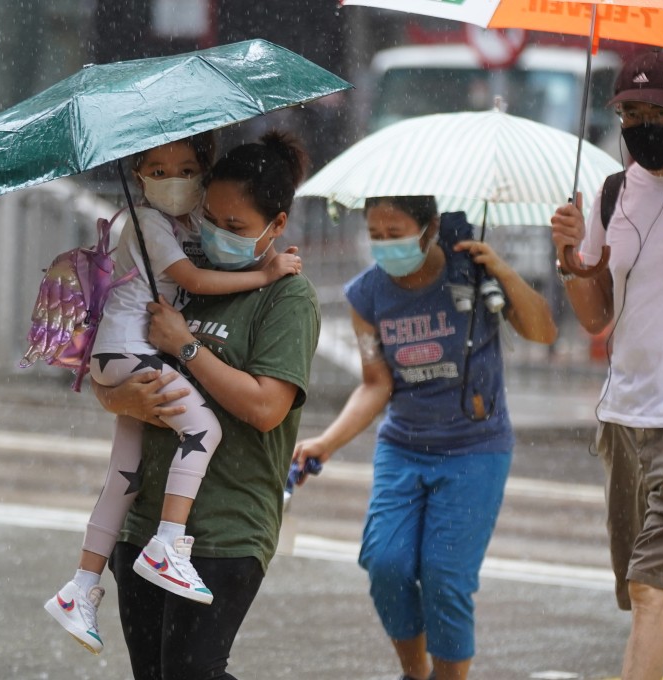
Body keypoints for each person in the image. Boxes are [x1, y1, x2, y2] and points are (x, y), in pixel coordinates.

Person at [45, 133, 302, 654]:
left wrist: (183, 347)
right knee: (196, 430)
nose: (218, 233)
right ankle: (166, 543)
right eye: (156, 171)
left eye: (184, 170)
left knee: (122, 476)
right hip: (128, 360)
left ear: (277, 226)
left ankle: (79, 588)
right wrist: (260, 272)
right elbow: (193, 285)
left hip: (227, 533)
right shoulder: (157, 231)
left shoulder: (287, 297)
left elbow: (265, 407)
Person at [294, 196, 557, 680]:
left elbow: (543, 330)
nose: (384, 244)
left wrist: (500, 268)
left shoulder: (472, 273)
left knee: (445, 578)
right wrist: (324, 443)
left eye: (396, 233)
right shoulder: (367, 296)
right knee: (386, 563)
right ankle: (415, 674)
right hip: (404, 447)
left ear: (430, 227)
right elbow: (376, 382)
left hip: (475, 450)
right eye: (375, 233)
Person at [551, 49, 663, 680]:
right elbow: (597, 317)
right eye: (632, 112)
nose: (645, 124)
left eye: (660, 111)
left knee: (650, 589)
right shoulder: (612, 191)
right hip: (624, 419)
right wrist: (570, 257)